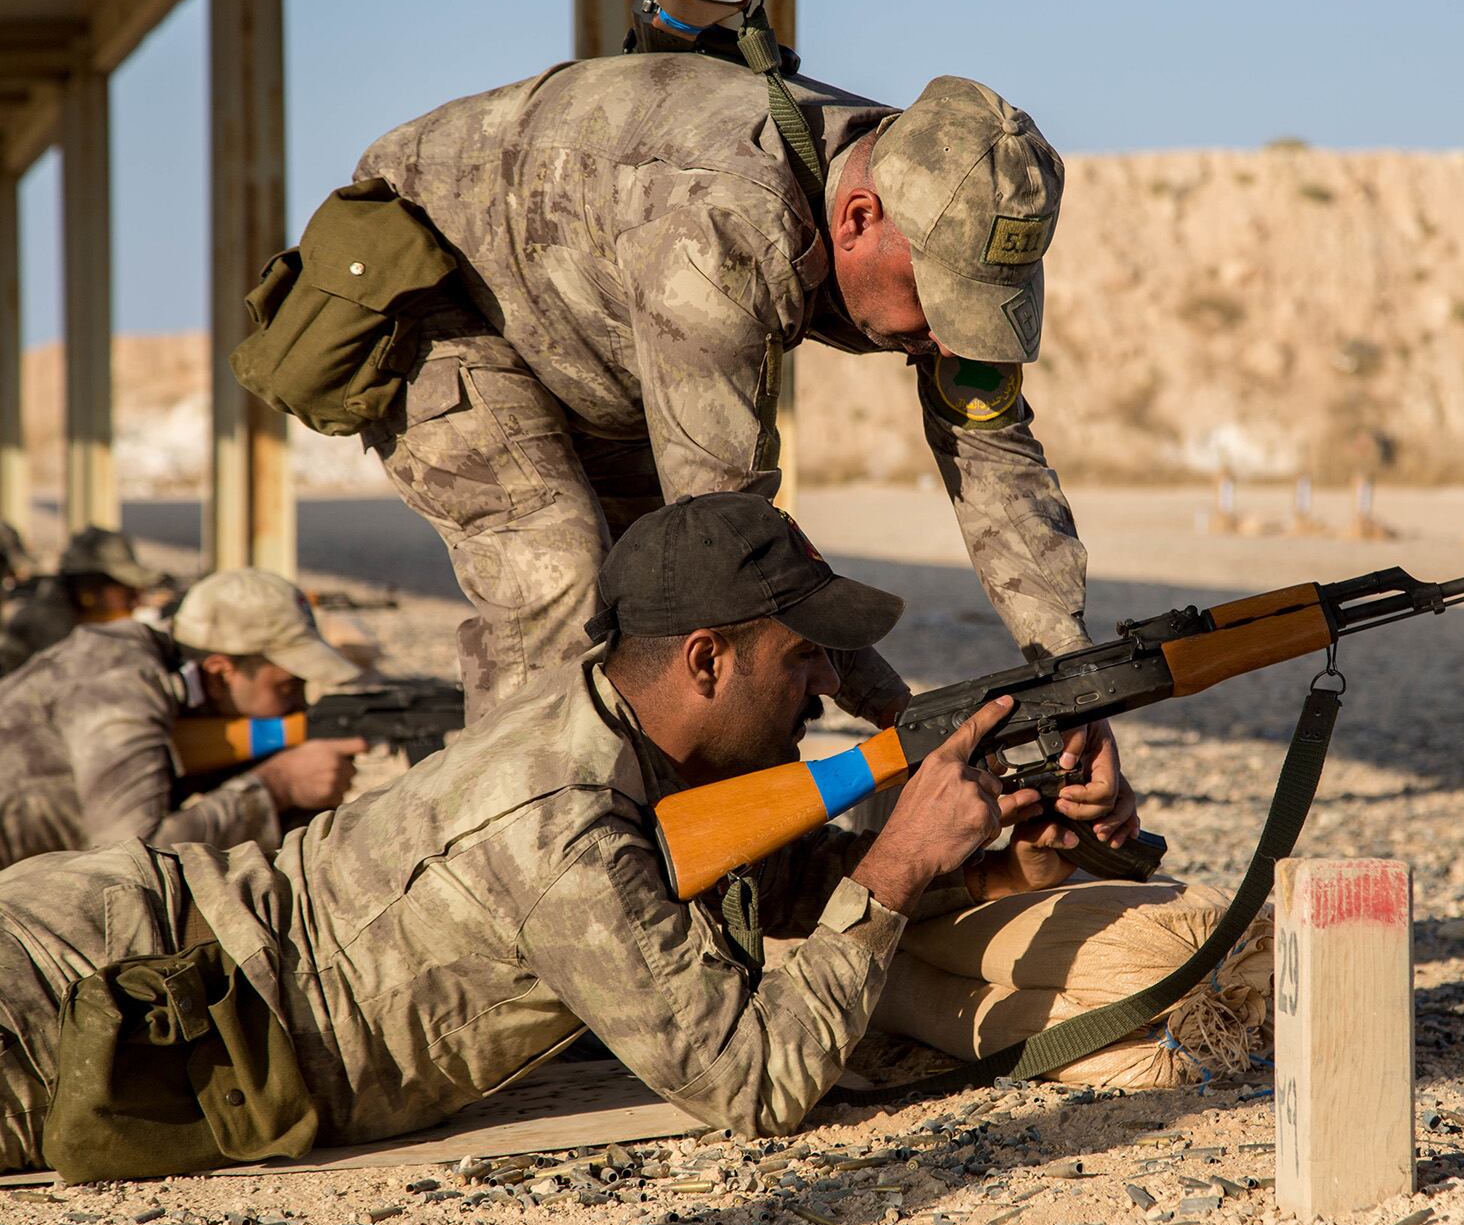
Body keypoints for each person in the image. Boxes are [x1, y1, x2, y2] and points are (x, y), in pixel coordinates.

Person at [0, 494, 1139, 1171]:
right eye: (804, 660)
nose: (830, 689)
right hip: (98, 988)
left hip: (159, 964)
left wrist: (1022, 846)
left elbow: (798, 889)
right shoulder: (565, 819)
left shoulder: (630, 738)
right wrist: (894, 864)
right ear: (706, 659)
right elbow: (753, 1083)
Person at [255, 49, 1111, 792]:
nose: (946, 333)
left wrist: (1070, 676)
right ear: (858, 218)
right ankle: (523, 865)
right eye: (938, 301)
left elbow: (994, 447)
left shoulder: (940, 200)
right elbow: (730, 548)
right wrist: (898, 712)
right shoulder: (723, 227)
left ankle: (645, 821)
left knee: (670, 631)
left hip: (598, 330)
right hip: (440, 299)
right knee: (560, 573)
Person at [0, 568, 368, 870]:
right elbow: (126, 856)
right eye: (288, 687)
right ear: (222, 671)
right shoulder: (118, 681)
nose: (299, 704)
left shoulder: (167, 678)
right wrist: (278, 786)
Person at [0, 527, 170, 678]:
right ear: (89, 591)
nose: (136, 598)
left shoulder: (76, 627)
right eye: (125, 588)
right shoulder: (48, 639)